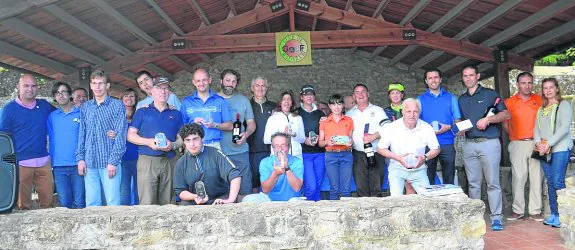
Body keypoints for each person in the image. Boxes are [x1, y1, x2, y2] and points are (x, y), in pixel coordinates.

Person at [458, 65, 510, 231]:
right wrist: (460, 127)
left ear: (477, 76)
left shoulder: (490, 94)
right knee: (473, 184)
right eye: (465, 76)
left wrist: (488, 120)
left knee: (492, 182)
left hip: (489, 143)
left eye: (471, 75)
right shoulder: (462, 99)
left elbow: (506, 114)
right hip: (469, 144)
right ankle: (475, 218)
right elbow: (459, 120)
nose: (468, 79)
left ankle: (496, 218)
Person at [0, 74, 55, 210]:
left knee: (48, 204)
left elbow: (62, 117)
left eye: (33, 86)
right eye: (26, 85)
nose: (30, 89)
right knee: (23, 206)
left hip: (43, 162)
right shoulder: (9, 109)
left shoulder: (44, 106)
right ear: (18, 87)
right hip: (21, 164)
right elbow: (2, 137)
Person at [128, 76, 183, 205]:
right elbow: (130, 135)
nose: (163, 91)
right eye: (159, 88)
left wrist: (173, 145)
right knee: (147, 202)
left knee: (168, 203)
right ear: (152, 91)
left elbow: (181, 138)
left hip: (170, 160)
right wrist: (148, 142)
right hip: (147, 160)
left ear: (169, 92)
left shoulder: (176, 114)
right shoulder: (142, 112)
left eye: (166, 88)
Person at [76, 69, 127, 207]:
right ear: (91, 86)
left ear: (108, 86)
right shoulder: (86, 107)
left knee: (113, 203)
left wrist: (113, 161)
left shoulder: (116, 105)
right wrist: (80, 158)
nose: (97, 87)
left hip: (109, 162)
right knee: (92, 204)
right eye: (94, 83)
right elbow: (82, 134)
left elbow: (121, 135)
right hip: (90, 161)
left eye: (101, 83)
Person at [377, 98, 441, 196]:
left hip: (419, 170)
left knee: (427, 200)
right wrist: (398, 158)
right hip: (397, 169)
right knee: (396, 200)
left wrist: (424, 157)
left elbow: (436, 149)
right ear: (403, 112)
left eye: (415, 111)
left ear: (419, 112)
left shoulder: (426, 127)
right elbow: (380, 148)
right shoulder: (392, 127)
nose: (412, 115)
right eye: (408, 111)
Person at [503, 72, 543, 221]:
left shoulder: (539, 100)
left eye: (529, 82)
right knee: (518, 177)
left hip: (537, 143)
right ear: (517, 84)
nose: (527, 86)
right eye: (523, 83)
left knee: (536, 177)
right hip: (517, 143)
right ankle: (517, 210)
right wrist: (516, 135)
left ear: (533, 84)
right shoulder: (509, 102)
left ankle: (535, 210)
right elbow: (505, 124)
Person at [534, 78, 573, 228]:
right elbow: (535, 128)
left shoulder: (564, 105)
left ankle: (563, 216)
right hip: (544, 149)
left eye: (551, 87)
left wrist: (548, 144)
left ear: (557, 89)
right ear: (542, 90)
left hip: (560, 149)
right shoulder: (541, 108)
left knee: (557, 181)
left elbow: (564, 129)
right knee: (549, 181)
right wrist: (539, 143)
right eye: (545, 88)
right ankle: (554, 214)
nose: (548, 90)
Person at [173, 123, 241, 205]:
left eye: (195, 139)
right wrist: (194, 196)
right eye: (188, 140)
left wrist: (230, 199)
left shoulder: (215, 153)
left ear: (202, 138)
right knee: (183, 205)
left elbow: (235, 174)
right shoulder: (181, 162)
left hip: (219, 199)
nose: (192, 144)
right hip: (195, 200)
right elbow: (180, 191)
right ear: (184, 142)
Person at [418, 69, 461, 186]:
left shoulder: (452, 98)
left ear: (440, 79)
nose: (433, 80)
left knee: (449, 179)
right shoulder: (419, 100)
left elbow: (458, 122)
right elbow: (416, 123)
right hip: (427, 145)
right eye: (430, 78)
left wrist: (449, 127)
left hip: (447, 144)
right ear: (426, 81)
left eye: (436, 77)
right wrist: (427, 129)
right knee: (427, 180)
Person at [47, 82, 85, 209]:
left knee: (80, 202)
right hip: (59, 166)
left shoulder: (81, 114)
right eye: (57, 93)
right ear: (55, 97)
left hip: (78, 164)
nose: (61, 95)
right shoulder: (52, 117)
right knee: (64, 204)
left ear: (70, 95)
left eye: (64, 92)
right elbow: (50, 139)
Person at [217, 69, 255, 197]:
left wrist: (246, 134)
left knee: (245, 191)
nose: (230, 84)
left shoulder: (243, 100)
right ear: (221, 81)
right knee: (223, 192)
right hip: (219, 152)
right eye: (227, 80)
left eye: (233, 81)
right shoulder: (213, 100)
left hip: (240, 151)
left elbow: (251, 123)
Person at [346, 84, 388, 197]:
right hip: (357, 154)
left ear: (368, 94)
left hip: (376, 152)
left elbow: (388, 128)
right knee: (361, 186)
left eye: (363, 91)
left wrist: (374, 136)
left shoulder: (378, 110)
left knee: (376, 186)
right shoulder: (349, 114)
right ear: (353, 96)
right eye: (357, 92)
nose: (360, 94)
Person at [243, 132, 304, 202]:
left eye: (283, 145)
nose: (280, 149)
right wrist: (275, 174)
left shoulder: (297, 162)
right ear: (273, 148)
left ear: (289, 147)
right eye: (277, 146)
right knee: (247, 199)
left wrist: (287, 168)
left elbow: (297, 188)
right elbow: (265, 190)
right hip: (269, 199)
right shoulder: (265, 162)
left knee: (297, 202)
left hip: (291, 199)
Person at [180, 68, 232, 149]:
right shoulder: (186, 102)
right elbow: (181, 127)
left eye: (204, 80)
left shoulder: (220, 100)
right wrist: (193, 125)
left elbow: (230, 126)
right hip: (192, 146)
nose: (201, 83)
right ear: (193, 82)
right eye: (198, 81)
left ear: (210, 80)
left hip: (214, 145)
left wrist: (214, 125)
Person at [319, 94, 354, 200]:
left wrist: (351, 143)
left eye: (339, 104)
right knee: (334, 188)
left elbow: (351, 139)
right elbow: (320, 143)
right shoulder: (324, 122)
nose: (336, 107)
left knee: (346, 189)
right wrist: (327, 142)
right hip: (331, 154)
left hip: (346, 154)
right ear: (329, 106)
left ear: (343, 105)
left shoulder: (349, 120)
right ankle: (334, 215)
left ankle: (347, 214)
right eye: (333, 104)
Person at [296, 85, 326, 201]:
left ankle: (316, 212)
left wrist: (320, 137)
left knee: (318, 186)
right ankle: (308, 211)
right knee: (311, 186)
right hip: (304, 154)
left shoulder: (320, 114)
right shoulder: (296, 113)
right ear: (301, 97)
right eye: (306, 94)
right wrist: (305, 139)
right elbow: (293, 134)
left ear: (314, 96)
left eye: (311, 94)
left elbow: (325, 132)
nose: (309, 96)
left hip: (319, 153)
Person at [248, 77, 276, 193]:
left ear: (267, 88)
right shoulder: (247, 105)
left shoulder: (274, 106)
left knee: (270, 180)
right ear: (252, 88)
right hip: (252, 151)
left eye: (263, 85)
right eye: (257, 85)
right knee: (254, 181)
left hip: (271, 151)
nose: (260, 88)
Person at [263, 91, 305, 159]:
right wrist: (282, 134)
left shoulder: (298, 118)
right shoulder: (273, 118)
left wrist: (294, 134)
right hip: (278, 156)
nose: (286, 101)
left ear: (292, 103)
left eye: (289, 99)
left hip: (296, 156)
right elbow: (266, 140)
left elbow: (302, 139)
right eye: (284, 99)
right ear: (280, 103)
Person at [120, 88, 140, 205]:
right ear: (121, 98)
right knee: (124, 189)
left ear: (136, 99)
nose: (129, 98)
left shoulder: (140, 114)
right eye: (126, 96)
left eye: (132, 96)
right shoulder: (117, 115)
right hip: (122, 157)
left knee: (138, 188)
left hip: (138, 156)